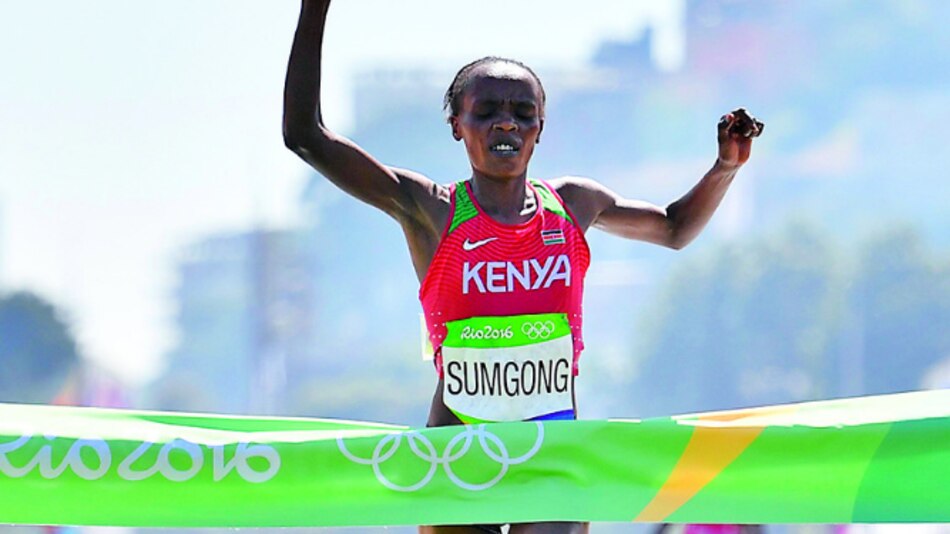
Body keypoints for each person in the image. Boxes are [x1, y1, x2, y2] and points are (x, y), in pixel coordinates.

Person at [283, 1, 763, 532]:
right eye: (485, 110)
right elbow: (306, 135)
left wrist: (724, 167)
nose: (505, 121)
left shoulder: (575, 204)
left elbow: (674, 228)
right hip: (457, 452)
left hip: (552, 450)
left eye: (521, 110)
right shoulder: (430, 208)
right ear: (456, 126)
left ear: (540, 127)